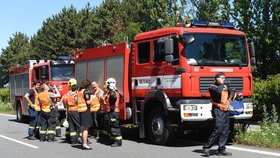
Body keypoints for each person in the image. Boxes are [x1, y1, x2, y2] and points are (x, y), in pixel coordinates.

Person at [203, 72, 232, 156]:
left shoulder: (224, 87)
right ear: (217, 79)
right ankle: (206, 147)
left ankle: (221, 149)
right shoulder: (212, 87)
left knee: (225, 131)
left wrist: (236, 96)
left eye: (224, 78)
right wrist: (222, 85)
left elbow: (230, 95)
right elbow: (219, 92)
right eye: (222, 78)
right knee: (218, 129)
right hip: (217, 110)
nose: (224, 79)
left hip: (225, 110)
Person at [105, 78, 122, 147]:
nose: (106, 86)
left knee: (115, 126)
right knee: (111, 125)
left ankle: (118, 142)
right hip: (112, 111)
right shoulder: (113, 92)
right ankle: (112, 140)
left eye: (107, 84)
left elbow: (113, 99)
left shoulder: (113, 92)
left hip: (114, 112)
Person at [77, 79, 93, 150]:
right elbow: (88, 102)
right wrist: (92, 98)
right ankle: (85, 144)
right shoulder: (85, 92)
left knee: (83, 127)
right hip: (85, 110)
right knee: (86, 128)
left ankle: (83, 143)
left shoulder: (79, 92)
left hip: (80, 110)